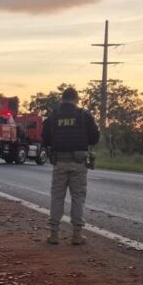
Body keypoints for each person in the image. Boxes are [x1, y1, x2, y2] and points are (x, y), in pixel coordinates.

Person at [41, 87, 100, 245]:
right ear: (76, 99)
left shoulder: (53, 116)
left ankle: (54, 235)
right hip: (79, 163)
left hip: (59, 162)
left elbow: (45, 138)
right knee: (78, 198)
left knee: (57, 197)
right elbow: (94, 138)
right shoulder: (84, 115)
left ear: (62, 99)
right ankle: (77, 235)